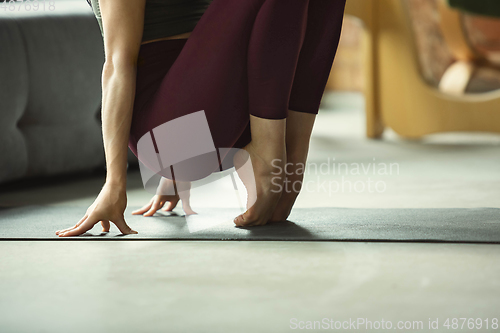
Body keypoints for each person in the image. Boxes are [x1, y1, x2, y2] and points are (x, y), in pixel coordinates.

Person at [55, 0, 346, 237]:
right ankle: (268, 158)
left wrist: (174, 177)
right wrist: (114, 183)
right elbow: (118, 65)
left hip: (219, 113)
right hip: (168, 137)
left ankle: (291, 155)